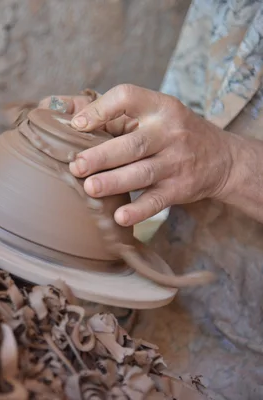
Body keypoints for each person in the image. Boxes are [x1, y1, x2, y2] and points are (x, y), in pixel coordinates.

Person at [37, 1, 263, 398]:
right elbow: (191, 130)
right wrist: (121, 138)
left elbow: (213, 152)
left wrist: (229, 164)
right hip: (169, 300)